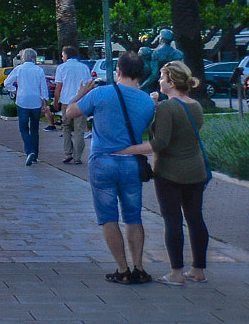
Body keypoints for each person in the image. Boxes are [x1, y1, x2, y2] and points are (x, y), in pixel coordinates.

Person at [117, 60, 209, 286]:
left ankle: (176, 273)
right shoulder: (195, 105)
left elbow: (160, 142)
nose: (159, 81)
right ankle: (198, 269)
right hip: (196, 171)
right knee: (195, 218)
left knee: (173, 221)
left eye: (162, 77)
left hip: (170, 173)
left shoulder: (169, 107)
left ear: (171, 82)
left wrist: (127, 150)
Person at [72, 51, 155, 285]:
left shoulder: (100, 93)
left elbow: (69, 113)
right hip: (131, 163)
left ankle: (122, 270)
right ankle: (139, 267)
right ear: (141, 74)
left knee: (108, 217)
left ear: (118, 70)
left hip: (102, 162)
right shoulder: (147, 101)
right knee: (133, 216)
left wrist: (81, 94)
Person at [4, 48, 49, 165]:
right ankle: (35, 155)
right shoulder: (38, 70)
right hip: (35, 101)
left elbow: (7, 83)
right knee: (34, 129)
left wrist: (15, 90)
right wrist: (45, 102)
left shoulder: (19, 69)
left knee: (23, 128)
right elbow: (44, 87)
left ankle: (29, 150)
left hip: (22, 100)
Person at [53, 45, 90, 165]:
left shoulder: (62, 68)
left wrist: (55, 101)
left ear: (66, 55)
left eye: (63, 55)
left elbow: (58, 87)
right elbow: (88, 86)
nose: (62, 58)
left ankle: (68, 153)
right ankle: (77, 157)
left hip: (66, 102)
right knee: (79, 129)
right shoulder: (84, 67)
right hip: (81, 102)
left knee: (66, 127)